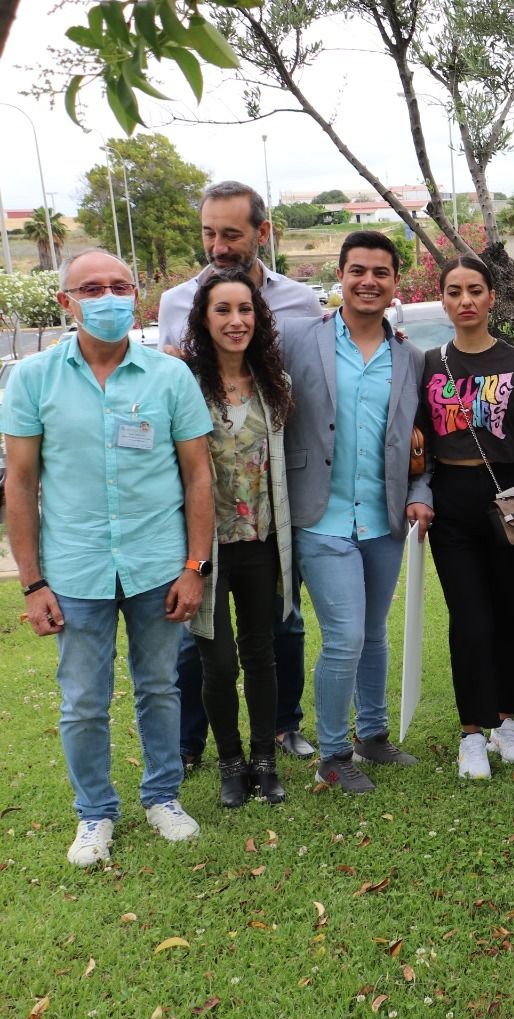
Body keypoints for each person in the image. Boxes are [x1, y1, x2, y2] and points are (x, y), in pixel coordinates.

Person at [2, 250, 213, 865]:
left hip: (157, 563)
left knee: (160, 687)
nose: (108, 298)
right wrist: (32, 582)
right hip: (75, 570)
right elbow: (19, 484)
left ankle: (162, 797)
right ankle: (95, 813)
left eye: (119, 286)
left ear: (137, 296)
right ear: (66, 302)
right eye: (91, 288)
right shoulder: (33, 378)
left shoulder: (169, 377)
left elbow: (198, 476)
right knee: (84, 701)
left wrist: (194, 565)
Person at [158, 180, 323, 769]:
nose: (218, 246)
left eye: (231, 234)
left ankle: (283, 728)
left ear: (262, 232)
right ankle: (190, 745)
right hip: (205, 503)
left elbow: (330, 360)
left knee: (282, 622)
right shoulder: (176, 304)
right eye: (209, 233)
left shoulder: (303, 302)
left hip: (274, 490)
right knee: (195, 637)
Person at [278, 231, 433, 794]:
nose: (369, 281)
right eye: (357, 270)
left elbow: (422, 440)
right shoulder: (297, 339)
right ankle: (334, 752)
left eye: (381, 273)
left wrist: (423, 492)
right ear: (339, 276)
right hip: (319, 516)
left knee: (372, 632)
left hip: (384, 517)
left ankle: (373, 735)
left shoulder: (411, 357)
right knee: (342, 636)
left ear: (395, 283)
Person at [419, 257, 514, 778]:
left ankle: (505, 720)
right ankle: (472, 734)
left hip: (511, 495)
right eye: (455, 291)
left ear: (491, 298)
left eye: (475, 290)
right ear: (443, 298)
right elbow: (415, 441)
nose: (466, 301)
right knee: (471, 619)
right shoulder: (429, 365)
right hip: (451, 499)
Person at [182, 269, 297, 805]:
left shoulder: (275, 382)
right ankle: (230, 763)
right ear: (204, 320)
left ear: (259, 316)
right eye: (222, 310)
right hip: (205, 549)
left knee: (261, 655)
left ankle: (264, 761)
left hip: (261, 542)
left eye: (245, 309)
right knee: (218, 661)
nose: (236, 320)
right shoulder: (184, 384)